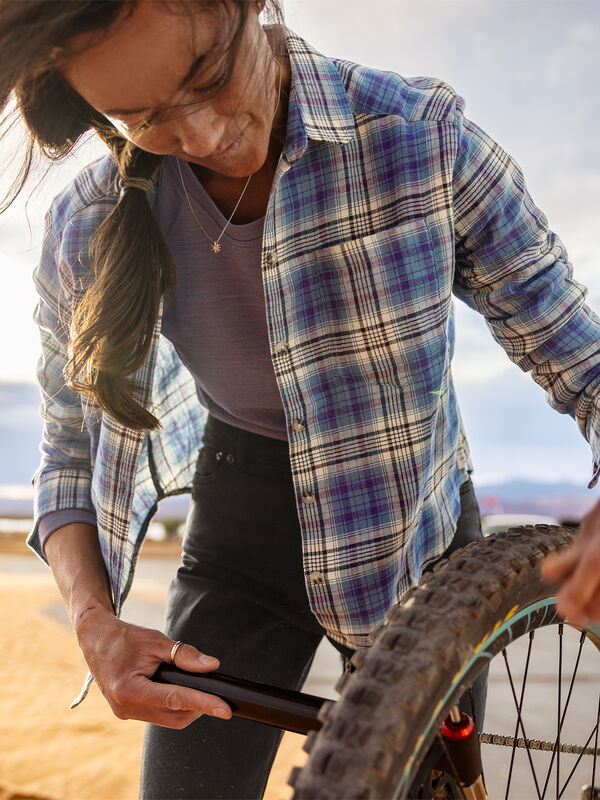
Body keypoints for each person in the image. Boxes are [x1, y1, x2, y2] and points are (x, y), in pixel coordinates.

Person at [1, 0, 599, 797]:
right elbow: (68, 455)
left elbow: (583, 358)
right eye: (143, 117)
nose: (207, 136)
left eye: (208, 76)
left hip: (417, 532)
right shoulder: (86, 225)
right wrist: (93, 622)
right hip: (239, 528)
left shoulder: (423, 141)